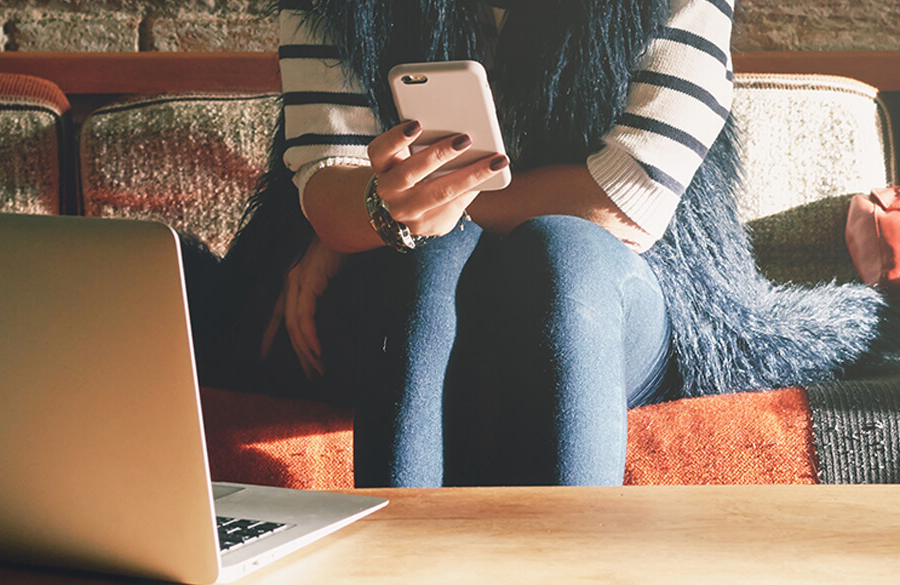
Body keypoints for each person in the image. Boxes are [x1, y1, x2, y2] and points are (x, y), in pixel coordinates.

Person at [211, 0, 890, 488]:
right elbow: (326, 167)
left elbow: (624, 200)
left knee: (564, 257)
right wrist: (375, 215)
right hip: (395, 290)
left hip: (614, 290)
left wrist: (401, 214)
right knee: (424, 266)